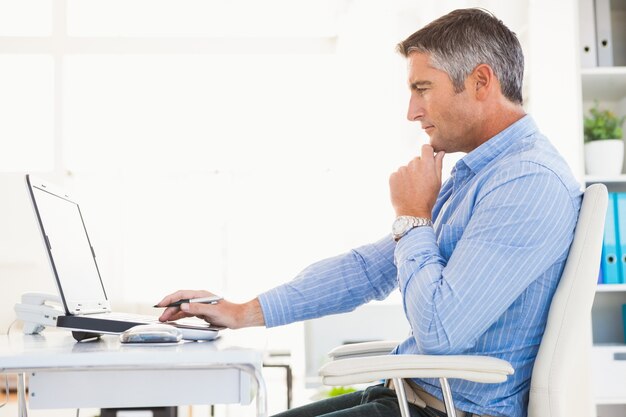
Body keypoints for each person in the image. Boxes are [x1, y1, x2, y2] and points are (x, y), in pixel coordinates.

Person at [156, 8, 582, 417]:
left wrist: (413, 217)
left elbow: (440, 331)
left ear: (480, 81)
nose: (412, 112)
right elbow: (369, 270)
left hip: (449, 411)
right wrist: (243, 311)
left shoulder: (527, 182)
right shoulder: (481, 174)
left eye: (423, 89)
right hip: (409, 397)